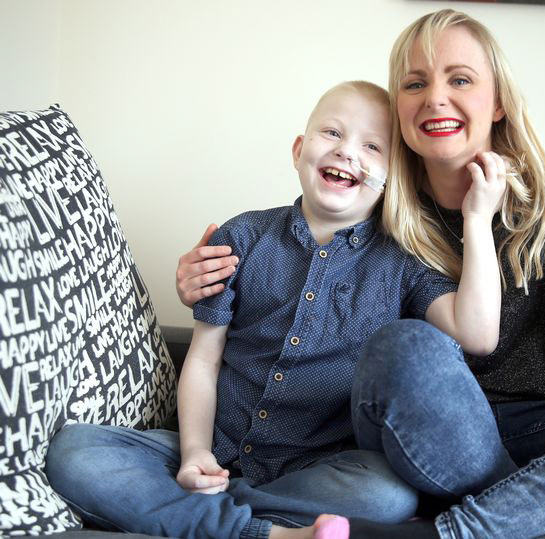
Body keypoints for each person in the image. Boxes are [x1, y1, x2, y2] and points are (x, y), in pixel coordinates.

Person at [175, 11, 545, 539]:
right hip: (411, 434)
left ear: (498, 102)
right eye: (415, 83)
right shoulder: (372, 200)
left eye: (460, 80)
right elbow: (300, 258)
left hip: (543, 429)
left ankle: (469, 525)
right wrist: (207, 277)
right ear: (398, 108)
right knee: (408, 345)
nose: (435, 98)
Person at [46, 80, 508, 539]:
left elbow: (479, 334)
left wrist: (477, 220)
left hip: (314, 470)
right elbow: (203, 359)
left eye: (372, 147)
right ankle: (270, 530)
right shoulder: (241, 237)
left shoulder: (405, 264)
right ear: (299, 151)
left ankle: (215, 521)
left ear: (392, 178)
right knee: (74, 451)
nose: (347, 151)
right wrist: (194, 453)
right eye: (332, 133)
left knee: (387, 495)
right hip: (213, 451)